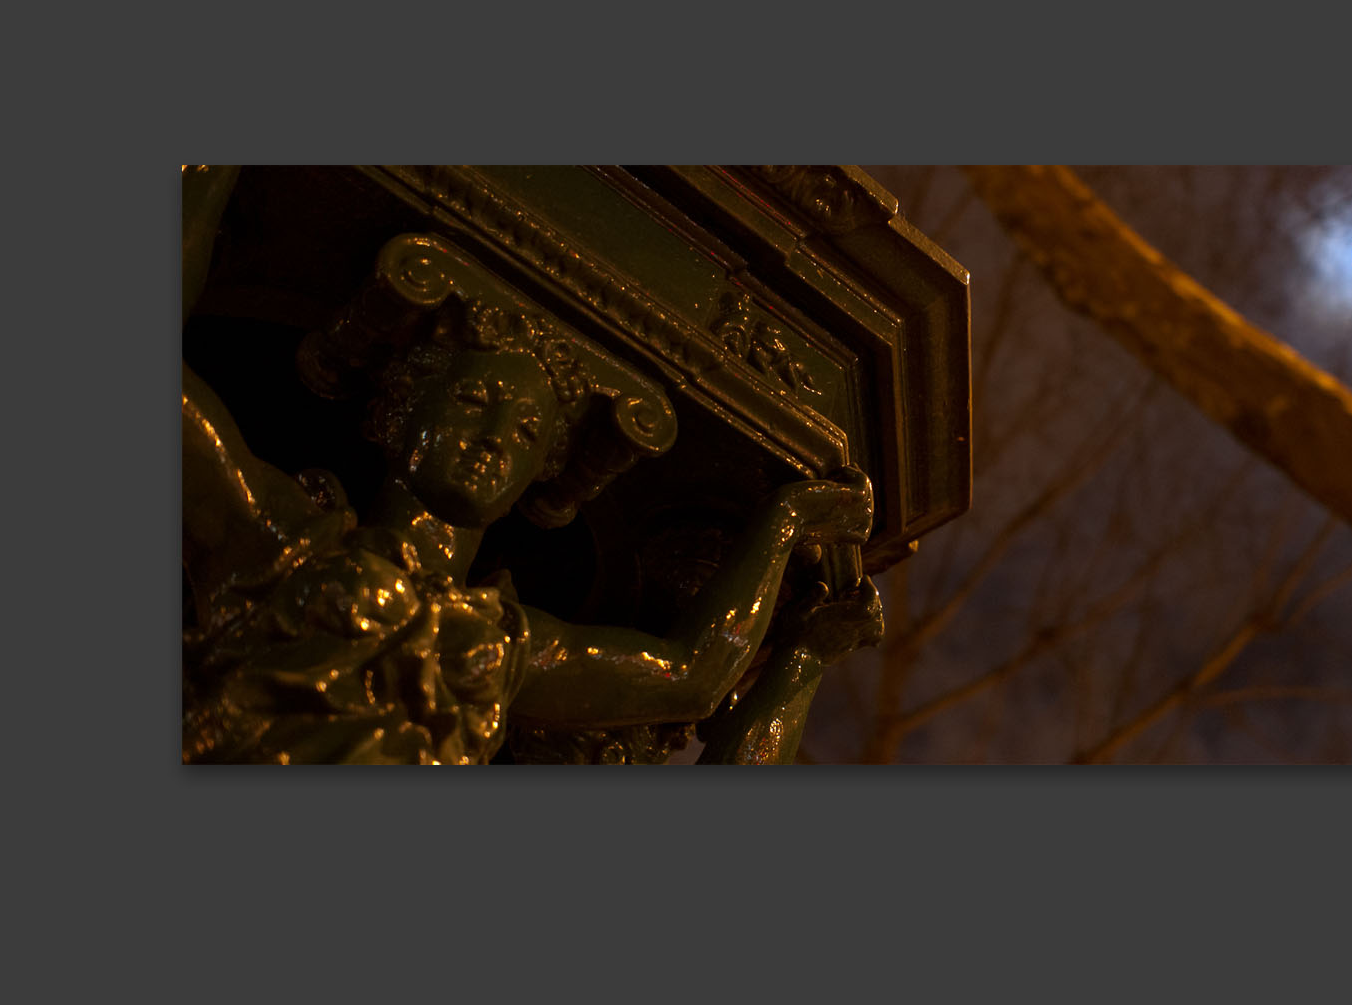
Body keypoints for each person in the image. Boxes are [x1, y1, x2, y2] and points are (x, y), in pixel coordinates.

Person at [182, 292, 879, 764]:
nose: (494, 440)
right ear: (400, 407)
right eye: (472, 400)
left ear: (543, 467)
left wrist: (785, 529)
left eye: (525, 432)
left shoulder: (495, 645)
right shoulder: (288, 536)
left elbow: (689, 677)